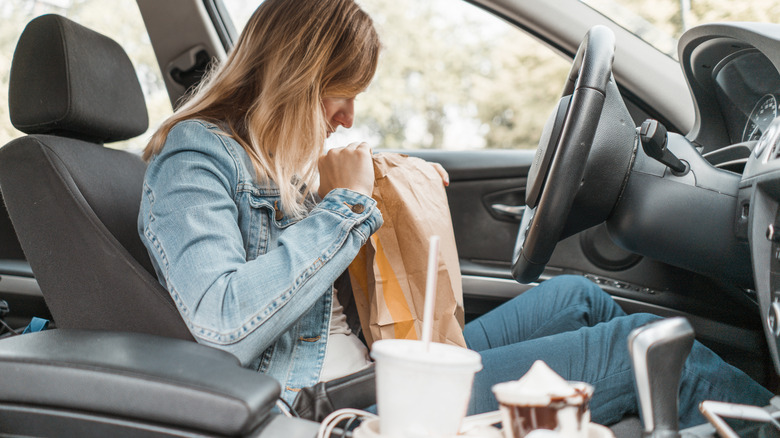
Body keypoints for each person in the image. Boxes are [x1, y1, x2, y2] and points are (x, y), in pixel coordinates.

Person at [138, 0, 772, 428]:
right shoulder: (195, 159)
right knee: (634, 350)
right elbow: (223, 321)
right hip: (338, 401)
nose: (348, 117)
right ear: (295, 78)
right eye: (342, 93)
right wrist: (346, 206)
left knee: (580, 297)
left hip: (376, 358)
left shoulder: (275, 160)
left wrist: (395, 188)